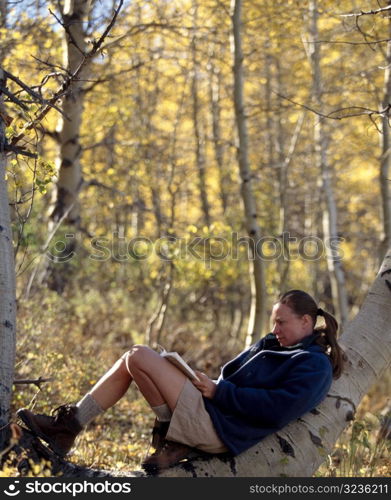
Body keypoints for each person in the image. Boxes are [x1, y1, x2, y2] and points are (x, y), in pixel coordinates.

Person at [17, 289, 344, 472]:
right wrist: (203, 382)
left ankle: (70, 428)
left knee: (139, 355)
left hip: (221, 428)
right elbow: (236, 376)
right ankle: (71, 425)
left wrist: (218, 391)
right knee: (137, 361)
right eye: (274, 322)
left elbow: (276, 409)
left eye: (281, 323)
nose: (275, 329)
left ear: (305, 321)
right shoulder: (276, 343)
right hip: (212, 409)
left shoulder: (313, 366)